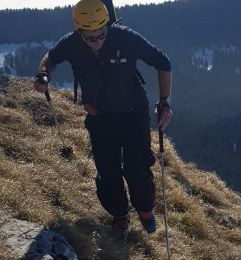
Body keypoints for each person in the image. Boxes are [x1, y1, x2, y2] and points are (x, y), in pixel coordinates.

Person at [34, 0, 173, 234]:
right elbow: (52, 57)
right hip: (100, 119)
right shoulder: (71, 43)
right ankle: (119, 215)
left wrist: (165, 102)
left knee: (137, 169)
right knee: (107, 173)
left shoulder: (125, 38)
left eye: (102, 34)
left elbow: (163, 62)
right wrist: (43, 74)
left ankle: (145, 210)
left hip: (133, 115)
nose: (97, 41)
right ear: (80, 31)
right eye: (90, 37)